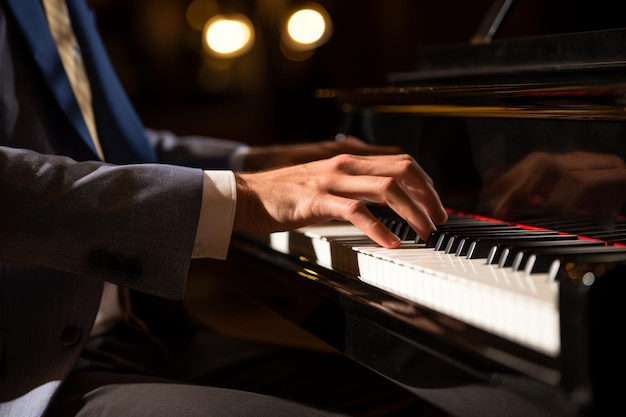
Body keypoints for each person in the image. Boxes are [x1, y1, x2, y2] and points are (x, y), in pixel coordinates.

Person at [0, 0, 449, 416]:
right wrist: (242, 195)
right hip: (28, 371)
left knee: (443, 402)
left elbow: (94, 149)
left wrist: (251, 163)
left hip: (137, 335)